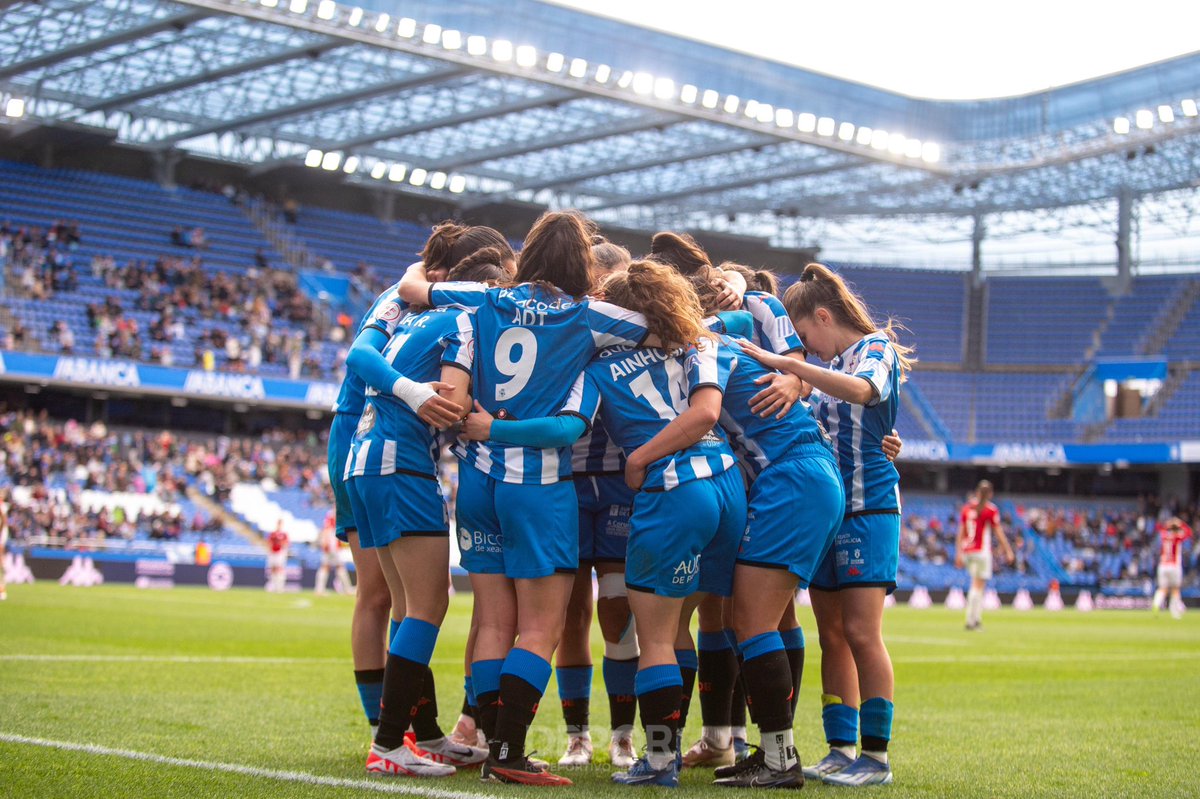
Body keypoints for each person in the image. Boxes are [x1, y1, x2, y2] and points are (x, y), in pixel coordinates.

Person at [401, 210, 649, 786]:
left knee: (492, 621)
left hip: (477, 484)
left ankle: (490, 741)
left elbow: (417, 289)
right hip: (537, 486)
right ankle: (508, 754)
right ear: (580, 265)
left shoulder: (482, 301)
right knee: (541, 629)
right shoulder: (589, 316)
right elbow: (668, 328)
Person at [326, 222, 514, 746]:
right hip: (370, 437)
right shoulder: (421, 305)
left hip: (370, 444)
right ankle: (387, 730)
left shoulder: (422, 304)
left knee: (403, 597)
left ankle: (417, 727)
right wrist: (413, 392)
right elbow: (360, 359)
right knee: (385, 593)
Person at [738, 262, 915, 787]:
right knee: (832, 635)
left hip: (871, 509)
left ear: (821, 315)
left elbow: (862, 392)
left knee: (862, 632)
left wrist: (785, 365)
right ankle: (840, 748)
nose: (805, 348)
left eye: (804, 335)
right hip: (831, 513)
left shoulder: (874, 349)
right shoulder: (827, 368)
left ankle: (876, 757)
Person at [343, 270, 489, 776]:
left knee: (407, 606)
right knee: (429, 604)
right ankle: (388, 745)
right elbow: (451, 404)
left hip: (365, 461)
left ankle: (423, 734)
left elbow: (369, 363)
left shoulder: (412, 320)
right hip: (401, 465)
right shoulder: (466, 322)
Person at [555, 237, 639, 769]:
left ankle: (624, 736)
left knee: (617, 606)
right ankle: (577, 735)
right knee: (569, 613)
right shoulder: (569, 324)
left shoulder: (638, 331)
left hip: (616, 484)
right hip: (564, 479)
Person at [956, 481, 1014, 630]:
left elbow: (961, 533)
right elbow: (998, 532)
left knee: (975, 584)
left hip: (968, 551)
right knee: (978, 585)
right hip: (981, 551)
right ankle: (972, 620)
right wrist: (1008, 550)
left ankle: (976, 618)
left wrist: (958, 553)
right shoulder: (990, 509)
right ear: (990, 493)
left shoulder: (967, 508)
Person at [1152, 516, 1192, 619]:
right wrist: (1181, 523)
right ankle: (1174, 611)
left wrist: (1168, 524)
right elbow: (1189, 532)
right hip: (1174, 566)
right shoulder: (1178, 537)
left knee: (1163, 589)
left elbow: (1158, 528)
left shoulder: (1164, 535)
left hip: (1163, 565)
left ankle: (1156, 604)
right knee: (1175, 589)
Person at [314, 510, 351, 596]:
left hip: (332, 546)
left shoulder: (332, 516)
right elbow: (327, 530)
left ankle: (319, 589)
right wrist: (326, 543)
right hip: (332, 546)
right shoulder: (332, 516)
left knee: (328, 567)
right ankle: (347, 589)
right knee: (336, 567)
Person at [265, 520, 288, 593]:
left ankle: (280, 587)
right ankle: (273, 586)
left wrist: (283, 547)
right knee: (273, 569)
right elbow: (269, 542)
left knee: (280, 569)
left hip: (280, 553)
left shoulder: (284, 534)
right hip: (273, 552)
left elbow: (286, 543)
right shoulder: (272, 534)